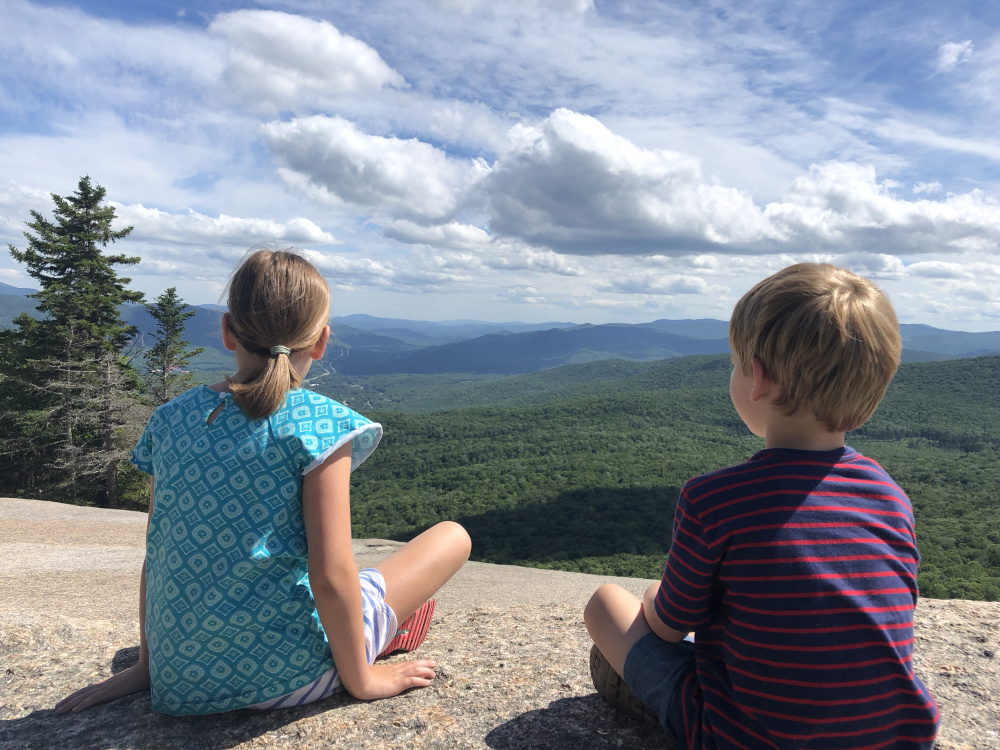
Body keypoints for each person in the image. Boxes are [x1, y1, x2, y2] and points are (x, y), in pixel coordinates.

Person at [56, 247, 471, 716]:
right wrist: (363, 681)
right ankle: (388, 632)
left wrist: (147, 668)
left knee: (370, 579)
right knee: (451, 537)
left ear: (228, 331)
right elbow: (332, 576)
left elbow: (163, 548)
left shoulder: (171, 419)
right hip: (286, 678)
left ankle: (387, 623)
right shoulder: (319, 425)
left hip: (179, 680)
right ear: (321, 341)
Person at [584, 263, 939, 749]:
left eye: (734, 362)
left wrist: (653, 594)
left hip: (745, 737)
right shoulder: (891, 497)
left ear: (759, 380)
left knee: (606, 604)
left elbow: (667, 629)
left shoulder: (713, 499)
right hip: (897, 738)